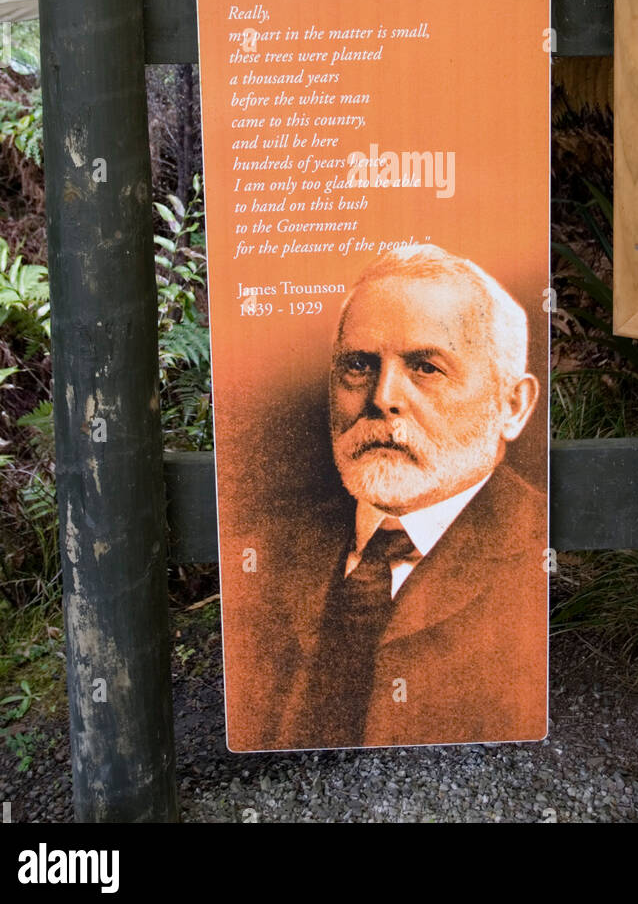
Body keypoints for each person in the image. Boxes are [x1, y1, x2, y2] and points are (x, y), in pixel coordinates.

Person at [225, 243, 549, 751]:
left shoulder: (542, 555)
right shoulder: (257, 556)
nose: (382, 397)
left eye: (425, 367)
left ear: (512, 405)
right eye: (358, 365)